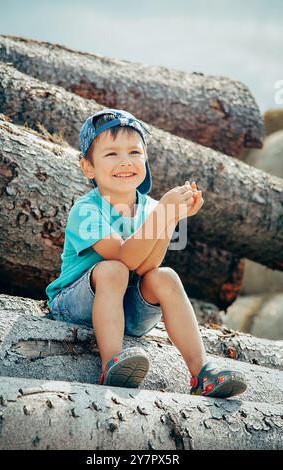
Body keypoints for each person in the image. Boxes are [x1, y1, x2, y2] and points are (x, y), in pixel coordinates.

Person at [46, 108, 247, 398]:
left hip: (126, 309)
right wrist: (163, 213)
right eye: (111, 154)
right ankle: (111, 362)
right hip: (75, 305)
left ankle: (202, 371)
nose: (125, 161)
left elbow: (146, 267)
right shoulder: (87, 210)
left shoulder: (151, 207)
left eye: (134, 152)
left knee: (164, 276)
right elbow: (124, 259)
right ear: (88, 167)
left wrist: (171, 217)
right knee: (113, 270)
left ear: (145, 159)